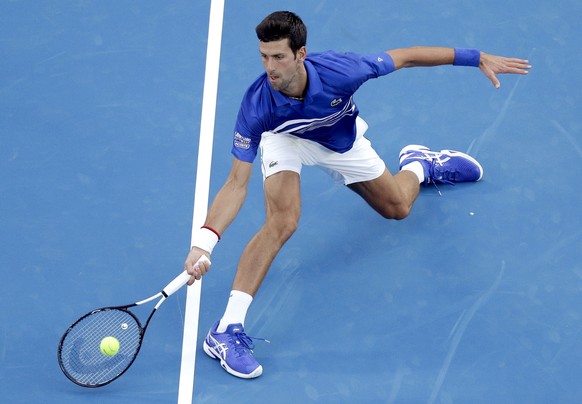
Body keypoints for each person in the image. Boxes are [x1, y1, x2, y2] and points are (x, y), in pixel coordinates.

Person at [183, 11, 531, 379]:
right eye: (264, 57)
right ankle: (225, 330)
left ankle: (420, 165)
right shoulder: (257, 106)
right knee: (283, 221)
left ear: (301, 54)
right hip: (286, 140)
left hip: (339, 140)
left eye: (279, 57)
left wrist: (474, 57)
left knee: (397, 208)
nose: (270, 67)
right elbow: (237, 182)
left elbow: (406, 56)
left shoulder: (342, 70)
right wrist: (204, 244)